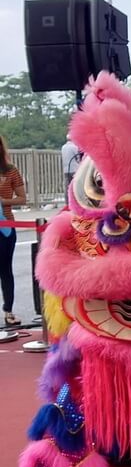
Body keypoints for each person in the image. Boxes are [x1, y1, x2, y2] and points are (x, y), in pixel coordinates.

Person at [0, 135, 27, 328]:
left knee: (5, 270)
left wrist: (3, 202)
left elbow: (22, 198)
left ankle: (8, 311)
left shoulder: (10, 170)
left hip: (5, 228)